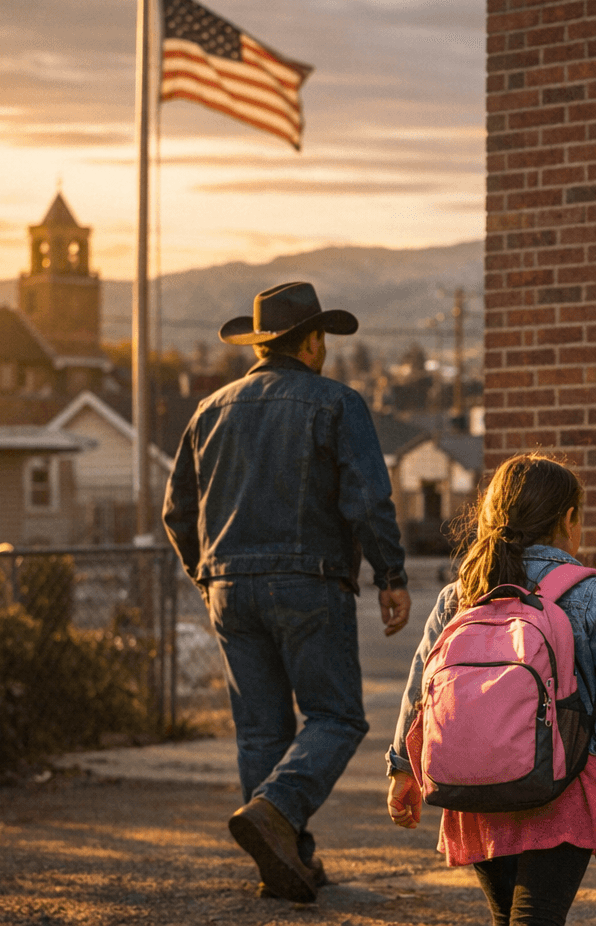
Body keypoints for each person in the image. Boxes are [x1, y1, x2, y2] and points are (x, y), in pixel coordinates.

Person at [163, 281, 412, 903]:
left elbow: (176, 511)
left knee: (260, 732)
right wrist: (391, 576)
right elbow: (368, 499)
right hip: (308, 581)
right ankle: (276, 809)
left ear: (258, 343)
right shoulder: (336, 403)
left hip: (227, 586)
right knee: (337, 716)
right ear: (312, 341)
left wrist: (206, 574)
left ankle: (288, 858)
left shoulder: (209, 408)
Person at [386, 454, 596, 926]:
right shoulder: (590, 593)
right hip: (560, 781)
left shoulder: (461, 593)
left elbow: (421, 688)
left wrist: (404, 768)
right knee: (537, 917)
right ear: (568, 519)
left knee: (508, 916)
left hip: (473, 778)